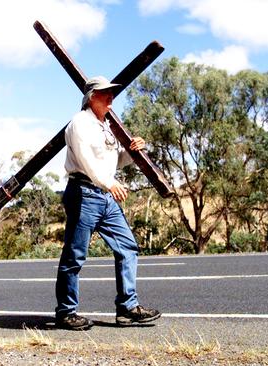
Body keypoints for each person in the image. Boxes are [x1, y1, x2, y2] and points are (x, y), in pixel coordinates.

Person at [55, 76, 161, 330]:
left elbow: (114, 162)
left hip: (104, 195)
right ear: (92, 97)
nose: (111, 96)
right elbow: (86, 161)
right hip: (84, 192)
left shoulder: (106, 126)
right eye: (105, 93)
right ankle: (66, 312)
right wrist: (109, 183)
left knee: (127, 246)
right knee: (75, 255)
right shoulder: (79, 123)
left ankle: (127, 308)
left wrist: (133, 152)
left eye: (112, 92)